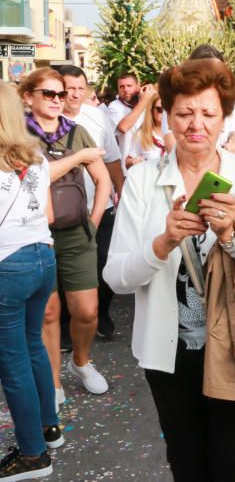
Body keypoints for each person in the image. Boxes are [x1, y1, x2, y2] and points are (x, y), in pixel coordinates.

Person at [104, 57, 235, 481]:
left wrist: (232, 235)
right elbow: (116, 278)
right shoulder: (143, 180)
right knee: (187, 464)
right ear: (167, 115)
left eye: (208, 113)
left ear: (225, 117)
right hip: (169, 355)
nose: (196, 125)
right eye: (184, 113)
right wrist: (162, 243)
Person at [21, 68, 113, 405]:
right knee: (48, 312)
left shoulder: (77, 132)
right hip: (35, 235)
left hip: (77, 232)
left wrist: (94, 219)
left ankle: (81, 362)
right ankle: (54, 382)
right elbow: (33, 177)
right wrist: (77, 158)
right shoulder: (17, 136)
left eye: (61, 94)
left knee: (87, 311)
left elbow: (104, 179)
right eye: (49, 94)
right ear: (27, 96)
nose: (59, 100)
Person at [0, 82, 63, 481]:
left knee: (13, 361)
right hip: (42, 257)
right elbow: (48, 213)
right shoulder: (36, 156)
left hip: (8, 265)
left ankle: (33, 455)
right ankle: (48, 427)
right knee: (31, 345)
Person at [57, 65, 125, 340]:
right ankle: (64, 327)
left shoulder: (97, 117)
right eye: (68, 88)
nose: (74, 94)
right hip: (62, 211)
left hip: (101, 206)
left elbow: (112, 160)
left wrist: (122, 194)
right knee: (63, 274)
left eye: (80, 89)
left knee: (104, 264)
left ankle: (101, 314)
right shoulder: (47, 120)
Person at [124, 93, 167, 168]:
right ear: (151, 111)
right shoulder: (142, 134)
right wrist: (133, 161)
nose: (164, 113)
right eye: (160, 109)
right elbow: (128, 162)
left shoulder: (178, 133)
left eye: (167, 109)